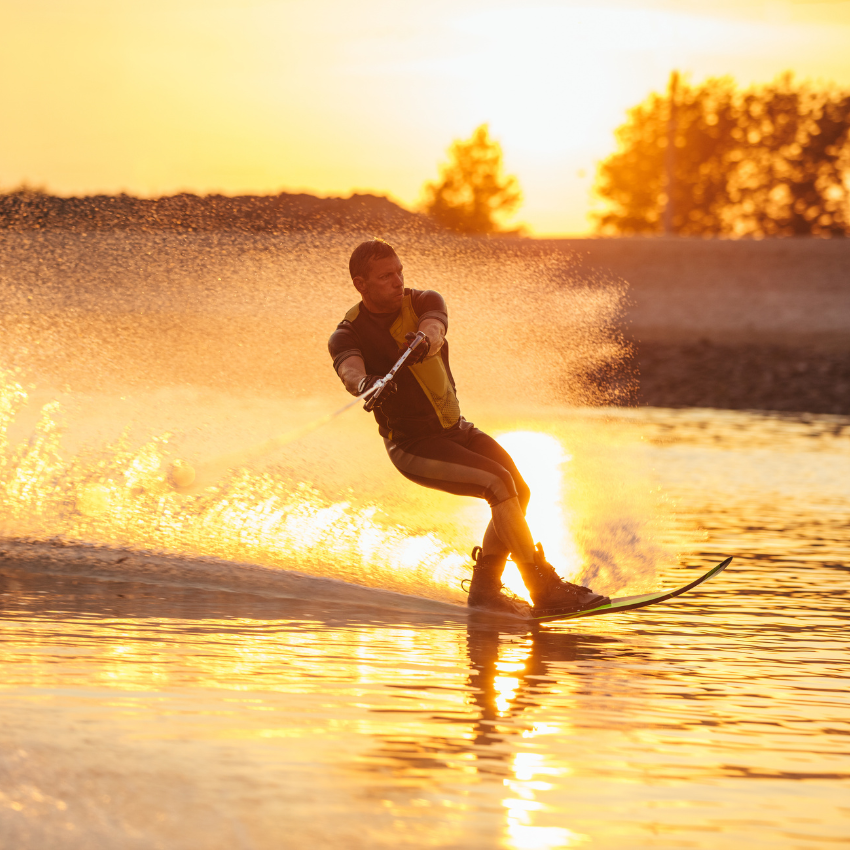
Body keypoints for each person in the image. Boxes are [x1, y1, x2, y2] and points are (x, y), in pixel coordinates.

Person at [328, 238, 609, 617]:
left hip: (456, 429)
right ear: (361, 284)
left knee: (519, 490)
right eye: (385, 277)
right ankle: (543, 588)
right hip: (413, 446)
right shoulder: (347, 334)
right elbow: (350, 371)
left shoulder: (424, 301)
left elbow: (434, 329)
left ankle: (484, 591)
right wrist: (366, 383)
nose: (397, 281)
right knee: (498, 483)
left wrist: (425, 341)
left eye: (399, 272)